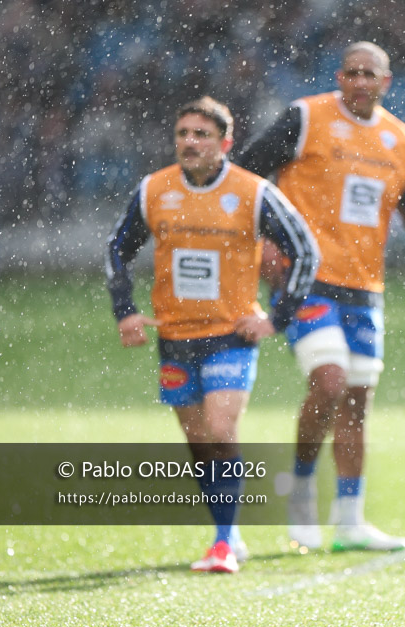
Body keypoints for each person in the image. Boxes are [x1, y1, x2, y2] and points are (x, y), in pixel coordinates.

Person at [237, 41, 405, 553]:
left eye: (372, 74)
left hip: (364, 289)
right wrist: (266, 242)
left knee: (358, 401)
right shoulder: (304, 117)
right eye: (353, 73)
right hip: (307, 281)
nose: (361, 81)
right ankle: (299, 496)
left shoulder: (400, 141)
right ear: (340, 77)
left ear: (387, 82)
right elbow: (243, 174)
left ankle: (349, 521)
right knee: (329, 380)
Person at [106, 96, 320, 573]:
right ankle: (230, 532)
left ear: (225, 142)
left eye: (201, 134)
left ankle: (222, 542)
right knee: (200, 442)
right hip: (175, 337)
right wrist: (126, 311)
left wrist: (276, 318)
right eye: (183, 133)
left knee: (222, 429)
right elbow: (116, 250)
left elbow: (305, 250)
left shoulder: (253, 192)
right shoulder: (153, 190)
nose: (190, 142)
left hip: (231, 335)